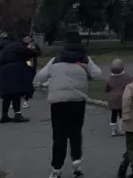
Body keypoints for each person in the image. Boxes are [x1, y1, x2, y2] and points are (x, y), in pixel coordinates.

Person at [34, 32, 102, 178]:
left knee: (59, 135)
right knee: (76, 132)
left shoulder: (55, 60)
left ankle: (56, 169)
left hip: (58, 102)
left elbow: (40, 77)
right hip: (78, 101)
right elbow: (98, 74)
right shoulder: (85, 59)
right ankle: (77, 164)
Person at [0, 33, 38, 123]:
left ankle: (4, 115)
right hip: (15, 71)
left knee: (7, 95)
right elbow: (31, 54)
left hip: (4, 71)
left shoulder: (6, 47)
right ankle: (17, 114)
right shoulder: (19, 46)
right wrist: (32, 48)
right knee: (16, 93)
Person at [105, 58, 132, 136]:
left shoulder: (109, 78)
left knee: (113, 114)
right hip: (123, 97)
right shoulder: (126, 76)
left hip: (113, 98)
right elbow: (130, 85)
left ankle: (113, 131)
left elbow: (106, 88)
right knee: (122, 114)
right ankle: (122, 129)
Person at [22, 35, 41, 109]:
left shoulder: (35, 45)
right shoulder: (22, 46)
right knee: (27, 78)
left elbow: (39, 53)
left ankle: (29, 89)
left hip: (33, 62)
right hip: (26, 63)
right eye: (25, 38)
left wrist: (34, 50)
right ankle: (27, 91)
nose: (27, 40)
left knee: (32, 76)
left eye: (28, 38)